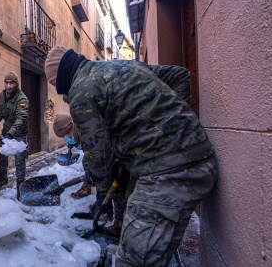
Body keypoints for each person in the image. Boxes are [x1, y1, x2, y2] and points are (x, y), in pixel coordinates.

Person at [45, 45, 218, 266]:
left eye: (53, 83)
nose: (57, 90)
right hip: (191, 157)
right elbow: (179, 74)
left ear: (60, 74)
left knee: (132, 259)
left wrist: (95, 178)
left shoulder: (80, 92)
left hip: (169, 170)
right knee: (154, 256)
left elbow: (99, 158)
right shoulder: (121, 65)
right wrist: (181, 122)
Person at [53, 113, 129, 238]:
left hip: (120, 158)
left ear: (71, 127)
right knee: (102, 181)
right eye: (62, 137)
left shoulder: (88, 132)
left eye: (65, 135)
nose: (65, 138)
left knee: (118, 191)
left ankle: (119, 227)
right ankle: (103, 209)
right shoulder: (80, 131)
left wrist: (93, 174)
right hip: (110, 157)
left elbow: (101, 160)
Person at [0, 71, 29, 200]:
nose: (8, 85)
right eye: (7, 82)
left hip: (18, 134)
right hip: (6, 132)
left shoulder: (22, 99)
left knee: (19, 160)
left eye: (11, 82)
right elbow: (0, 111)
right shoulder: (2, 95)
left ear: (17, 84)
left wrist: (12, 133)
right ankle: (3, 178)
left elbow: (21, 118)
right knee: (3, 155)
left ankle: (20, 188)